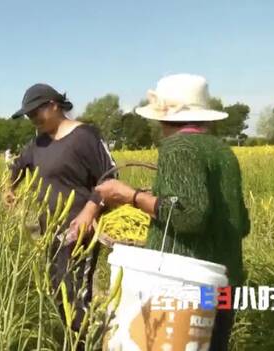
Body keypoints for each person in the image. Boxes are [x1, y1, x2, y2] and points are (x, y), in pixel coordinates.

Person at [95, 74, 250, 351]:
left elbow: (189, 216)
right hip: (225, 282)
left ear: (161, 116)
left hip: (182, 283)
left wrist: (130, 196)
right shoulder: (223, 151)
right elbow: (242, 223)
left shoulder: (178, 148)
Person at [5, 83, 116, 334]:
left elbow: (110, 178)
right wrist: (8, 188)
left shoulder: (85, 136)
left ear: (54, 105)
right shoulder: (38, 144)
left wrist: (89, 212)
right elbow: (17, 167)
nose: (32, 119)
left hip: (80, 232)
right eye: (28, 116)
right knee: (56, 291)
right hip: (49, 232)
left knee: (76, 298)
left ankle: (84, 343)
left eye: (36, 113)